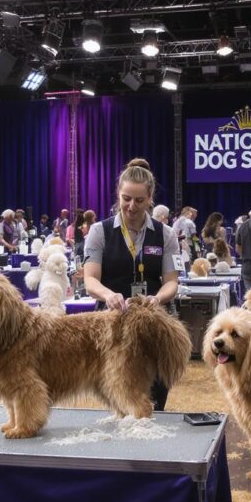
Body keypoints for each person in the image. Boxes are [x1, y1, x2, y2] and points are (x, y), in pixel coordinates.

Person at [84, 158, 180, 411]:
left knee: (155, 399)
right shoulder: (99, 231)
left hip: (152, 323)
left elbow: (171, 282)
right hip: (112, 325)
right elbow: (90, 279)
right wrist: (108, 295)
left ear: (150, 198)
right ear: (118, 194)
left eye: (139, 200)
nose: (131, 206)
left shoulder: (166, 234)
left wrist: (157, 298)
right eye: (126, 198)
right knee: (119, 399)